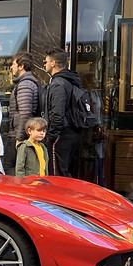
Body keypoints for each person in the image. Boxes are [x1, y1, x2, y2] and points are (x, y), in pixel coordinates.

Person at [43, 48, 83, 177]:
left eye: (46, 61)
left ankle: (58, 197)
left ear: (53, 63)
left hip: (62, 134)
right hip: (73, 132)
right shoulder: (71, 80)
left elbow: (57, 113)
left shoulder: (58, 83)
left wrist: (51, 135)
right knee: (65, 171)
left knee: (57, 174)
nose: (44, 64)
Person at [4, 51, 39, 175]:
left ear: (21, 66)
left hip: (18, 134)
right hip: (19, 133)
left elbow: (25, 113)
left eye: (13, 64)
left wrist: (19, 138)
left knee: (10, 167)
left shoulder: (25, 84)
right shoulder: (25, 83)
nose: (11, 67)